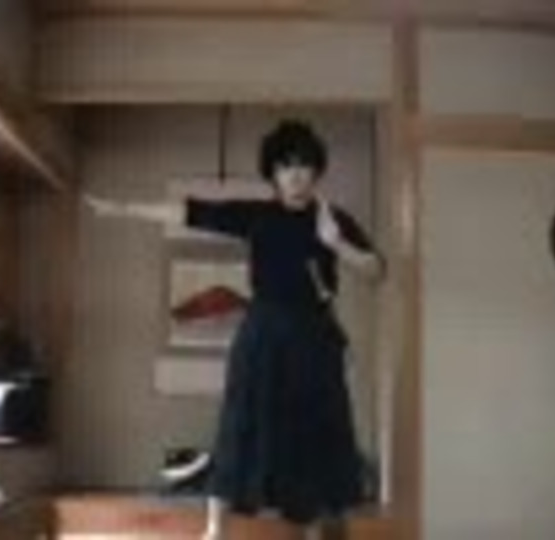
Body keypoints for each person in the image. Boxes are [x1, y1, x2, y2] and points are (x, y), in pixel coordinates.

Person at [85, 119, 385, 539]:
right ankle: (215, 528)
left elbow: (376, 270)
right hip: (263, 332)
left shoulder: (333, 219)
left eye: (304, 165)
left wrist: (337, 243)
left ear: (316, 171)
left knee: (317, 428)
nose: (296, 175)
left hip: (314, 336)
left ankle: (313, 526)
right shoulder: (259, 215)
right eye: (286, 166)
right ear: (273, 173)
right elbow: (190, 212)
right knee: (239, 422)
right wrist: (125, 209)